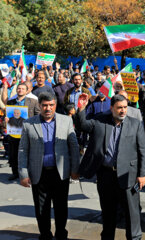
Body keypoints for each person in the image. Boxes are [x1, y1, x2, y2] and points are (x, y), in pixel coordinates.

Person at [76, 94, 145, 240]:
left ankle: (134, 238)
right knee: (108, 212)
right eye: (119, 108)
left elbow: (142, 150)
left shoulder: (135, 124)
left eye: (125, 107)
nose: (123, 111)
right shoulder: (100, 121)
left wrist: (142, 174)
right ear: (112, 108)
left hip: (128, 175)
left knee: (131, 213)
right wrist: (82, 107)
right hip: (106, 175)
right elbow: (82, 125)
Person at [18, 92, 80, 240]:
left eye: (51, 105)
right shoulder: (28, 124)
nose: (48, 108)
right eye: (44, 105)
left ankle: (61, 234)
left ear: (55, 105)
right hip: (39, 173)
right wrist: (23, 174)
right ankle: (45, 235)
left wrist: (75, 169)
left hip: (61, 173)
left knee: (61, 208)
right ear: (39, 106)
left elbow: (74, 147)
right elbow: (23, 150)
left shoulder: (65, 121)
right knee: (41, 209)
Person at [2, 83, 40, 181]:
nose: (20, 90)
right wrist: (5, 119)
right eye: (19, 88)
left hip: (27, 132)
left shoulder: (33, 101)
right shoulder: (10, 102)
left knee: (28, 153)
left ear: (27, 91)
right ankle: (15, 173)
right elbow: (6, 115)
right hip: (14, 132)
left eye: (23, 89)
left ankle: (29, 173)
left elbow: (39, 115)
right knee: (13, 154)